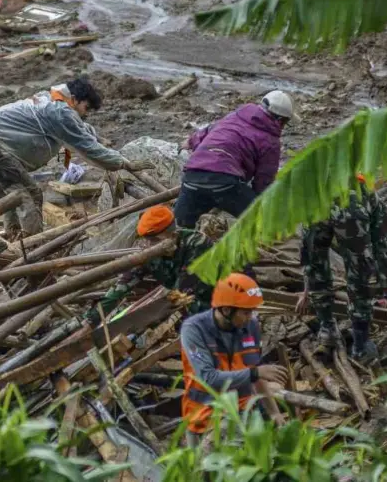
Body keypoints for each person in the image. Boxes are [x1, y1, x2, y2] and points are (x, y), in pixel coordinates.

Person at [0, 77, 152, 237]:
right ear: (74, 100)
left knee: (7, 197)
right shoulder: (60, 112)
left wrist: (97, 138)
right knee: (29, 196)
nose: (85, 114)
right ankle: (32, 249)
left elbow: (79, 129)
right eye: (86, 108)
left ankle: (12, 235)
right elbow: (87, 147)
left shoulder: (52, 99)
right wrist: (123, 163)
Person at [297, 174, 387, 363]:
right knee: (360, 273)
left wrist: (306, 291)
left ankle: (327, 330)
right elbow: (381, 253)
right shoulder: (373, 200)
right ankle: (360, 346)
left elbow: (310, 258)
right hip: (350, 208)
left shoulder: (323, 182)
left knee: (316, 264)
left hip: (315, 202)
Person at [180, 272, 287, 447]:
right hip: (204, 416)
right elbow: (208, 378)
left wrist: (273, 412)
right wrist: (255, 372)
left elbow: (256, 374)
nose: (250, 317)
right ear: (227, 310)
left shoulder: (250, 326)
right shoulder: (194, 330)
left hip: (242, 413)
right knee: (202, 470)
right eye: (245, 312)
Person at [82, 207, 235, 325]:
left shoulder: (198, 244)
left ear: (172, 235)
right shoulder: (149, 255)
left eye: (154, 240)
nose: (148, 245)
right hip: (186, 302)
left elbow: (182, 291)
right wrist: (91, 320)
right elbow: (121, 288)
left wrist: (145, 319)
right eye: (146, 240)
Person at [174, 91, 293, 228]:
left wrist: (190, 141)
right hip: (225, 183)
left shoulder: (235, 116)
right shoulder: (271, 140)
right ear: (279, 120)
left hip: (192, 176)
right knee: (263, 221)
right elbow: (263, 181)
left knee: (180, 227)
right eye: (285, 122)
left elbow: (208, 131)